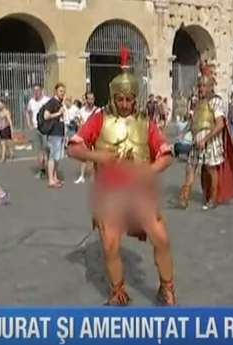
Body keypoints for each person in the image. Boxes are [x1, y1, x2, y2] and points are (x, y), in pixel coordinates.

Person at [67, 48, 177, 306]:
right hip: (110, 191)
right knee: (110, 244)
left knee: (161, 237)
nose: (126, 104)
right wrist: (98, 158)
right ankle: (118, 292)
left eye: (130, 99)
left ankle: (167, 288)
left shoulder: (145, 122)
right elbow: (73, 148)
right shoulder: (98, 120)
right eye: (121, 99)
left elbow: (166, 154)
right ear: (113, 97)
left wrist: (149, 171)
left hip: (140, 190)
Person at [178, 69, 233, 210]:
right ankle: (185, 196)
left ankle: (213, 198)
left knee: (210, 169)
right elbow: (195, 122)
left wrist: (206, 139)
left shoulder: (215, 102)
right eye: (200, 86)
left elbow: (219, 124)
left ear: (211, 86)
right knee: (190, 167)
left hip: (211, 142)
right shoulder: (198, 102)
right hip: (196, 141)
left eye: (204, 86)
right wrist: (184, 132)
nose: (201, 89)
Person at [43, 83, 67, 188]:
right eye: (61, 91)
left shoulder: (59, 103)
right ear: (56, 91)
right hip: (54, 133)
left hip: (60, 132)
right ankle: (51, 180)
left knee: (57, 157)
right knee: (53, 156)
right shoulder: (52, 102)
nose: (62, 93)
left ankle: (55, 177)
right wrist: (58, 113)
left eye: (63, 91)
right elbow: (46, 116)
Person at [74, 92, 100, 184]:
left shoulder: (98, 110)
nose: (91, 101)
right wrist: (78, 123)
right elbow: (76, 118)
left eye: (92, 99)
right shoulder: (81, 110)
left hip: (94, 136)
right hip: (85, 136)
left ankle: (94, 175)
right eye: (89, 99)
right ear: (86, 99)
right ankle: (82, 176)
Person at [26, 84, 49, 179]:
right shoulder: (31, 101)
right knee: (39, 152)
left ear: (42, 90)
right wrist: (29, 124)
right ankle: (41, 170)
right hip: (36, 129)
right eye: (34, 90)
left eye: (38, 90)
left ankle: (49, 172)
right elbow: (27, 112)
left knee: (47, 151)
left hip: (46, 128)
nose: (36, 92)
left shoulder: (47, 100)